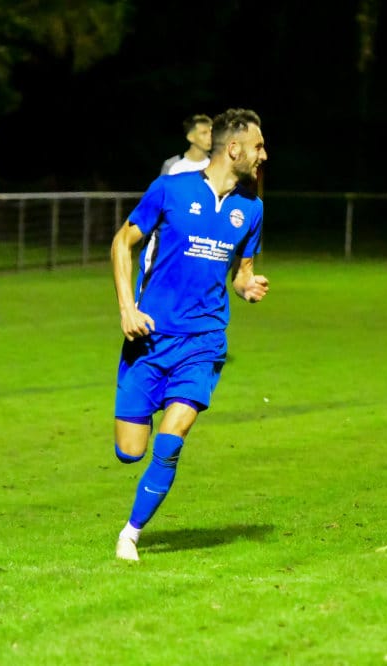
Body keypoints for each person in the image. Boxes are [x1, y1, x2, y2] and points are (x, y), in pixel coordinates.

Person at [111, 108, 269, 561]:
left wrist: (246, 286)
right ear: (233, 148)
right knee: (130, 451)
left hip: (204, 341)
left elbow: (242, 271)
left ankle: (130, 534)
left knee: (172, 440)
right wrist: (127, 309)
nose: (264, 155)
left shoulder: (251, 207)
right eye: (258, 146)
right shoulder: (170, 189)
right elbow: (122, 243)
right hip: (151, 337)